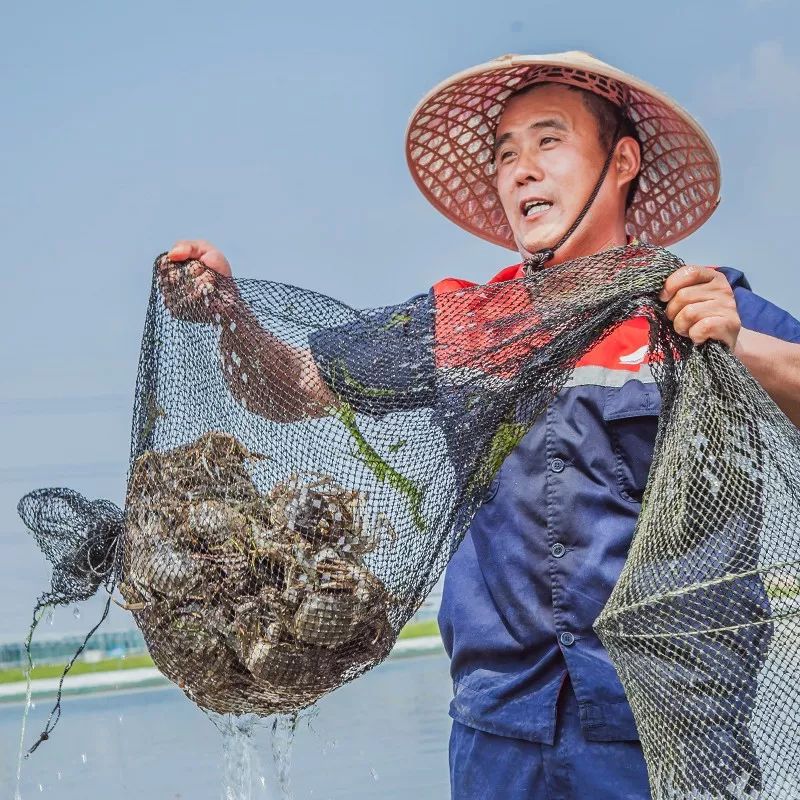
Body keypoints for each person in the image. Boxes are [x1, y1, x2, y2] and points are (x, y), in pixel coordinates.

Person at [160, 52, 800, 799]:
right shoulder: (465, 323)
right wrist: (230, 317)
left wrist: (736, 343)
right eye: (505, 154)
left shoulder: (699, 303)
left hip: (670, 720)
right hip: (501, 728)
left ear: (621, 160)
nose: (522, 170)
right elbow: (291, 388)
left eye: (549, 142)